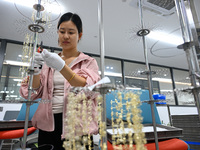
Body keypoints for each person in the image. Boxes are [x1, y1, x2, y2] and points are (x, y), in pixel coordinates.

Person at [20, 12, 100, 150]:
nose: (66, 36)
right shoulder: (49, 61)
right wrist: (36, 71)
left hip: (77, 124)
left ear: (79, 35)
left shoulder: (88, 62)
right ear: (58, 32)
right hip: (49, 123)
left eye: (71, 32)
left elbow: (90, 90)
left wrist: (62, 67)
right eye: (62, 31)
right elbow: (33, 93)